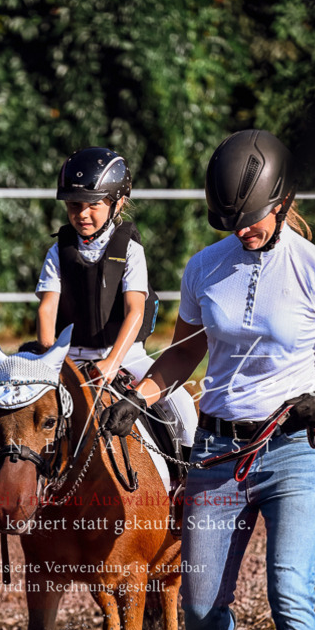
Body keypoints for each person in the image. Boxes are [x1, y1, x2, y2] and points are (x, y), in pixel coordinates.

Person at [101, 129, 315, 630]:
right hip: (218, 451)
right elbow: (185, 353)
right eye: (232, 221)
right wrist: (140, 394)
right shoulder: (206, 266)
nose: (243, 230)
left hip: (294, 450)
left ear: (281, 201)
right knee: (201, 609)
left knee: (288, 592)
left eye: (252, 219)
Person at [35, 146, 197, 456]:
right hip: (68, 357)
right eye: (73, 205)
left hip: (125, 356)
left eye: (92, 205)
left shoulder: (131, 250)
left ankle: (184, 474)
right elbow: (46, 309)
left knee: (183, 404)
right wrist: (48, 359)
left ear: (117, 202)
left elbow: (135, 312)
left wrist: (111, 362)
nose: (81, 214)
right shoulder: (58, 251)